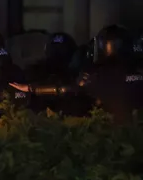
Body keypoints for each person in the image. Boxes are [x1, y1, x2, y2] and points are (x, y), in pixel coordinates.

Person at [12, 25, 143, 124]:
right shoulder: (137, 70)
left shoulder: (96, 75)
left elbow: (65, 89)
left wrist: (32, 88)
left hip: (109, 133)